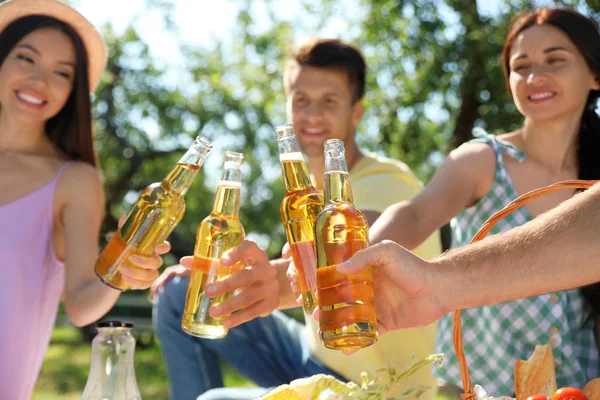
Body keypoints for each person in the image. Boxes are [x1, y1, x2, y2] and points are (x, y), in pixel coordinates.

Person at [151, 38, 442, 400]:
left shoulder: (385, 179)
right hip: (312, 355)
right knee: (178, 292)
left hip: (372, 388)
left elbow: (351, 241)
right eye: (301, 100)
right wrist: (227, 276)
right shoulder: (307, 191)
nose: (312, 115)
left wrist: (272, 284)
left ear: (356, 112)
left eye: (329, 101)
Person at [366, 7, 600, 397]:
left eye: (555, 60)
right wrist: (360, 259)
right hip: (474, 386)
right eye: (520, 66)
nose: (534, 76)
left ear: (595, 74)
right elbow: (415, 213)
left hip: (578, 386)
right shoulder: (481, 160)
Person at [0, 1, 168, 398]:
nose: (41, 81)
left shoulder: (73, 181)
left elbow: (81, 304)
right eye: (27, 58)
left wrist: (120, 272)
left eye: (62, 73)